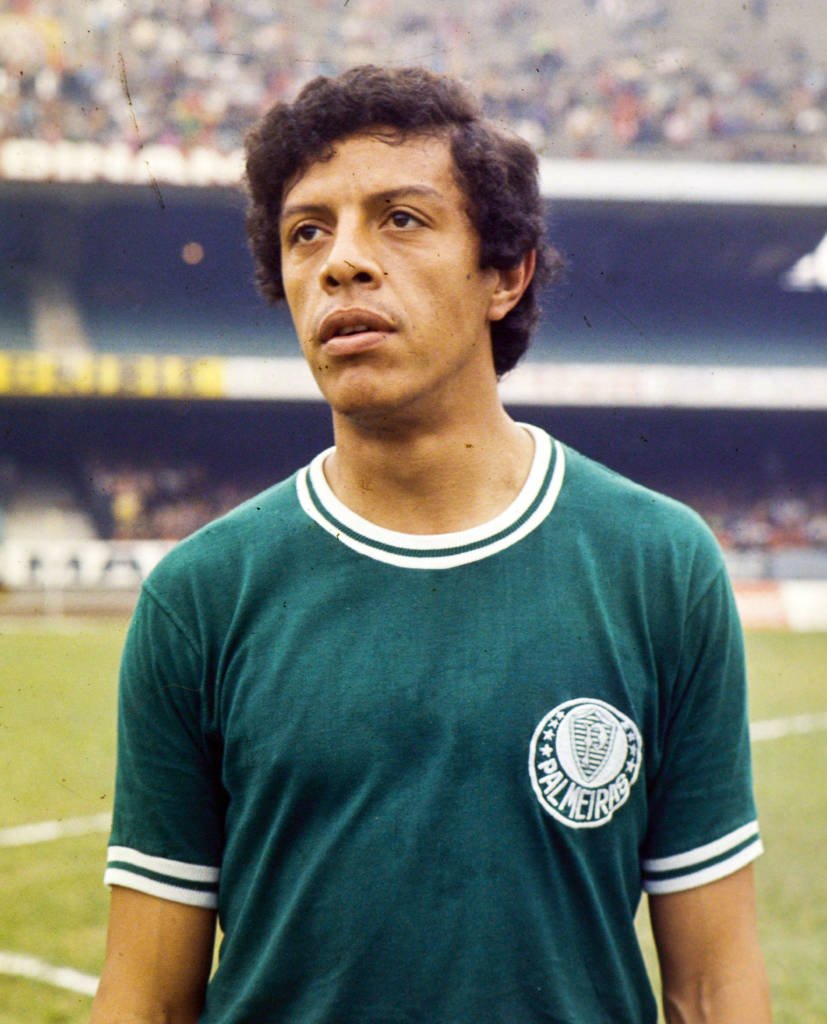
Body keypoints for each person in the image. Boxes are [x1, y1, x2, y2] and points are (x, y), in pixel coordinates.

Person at [91, 65, 771, 1023]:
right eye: (306, 231)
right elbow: (145, 1001)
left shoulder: (659, 565)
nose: (342, 262)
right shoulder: (201, 595)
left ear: (506, 273)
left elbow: (711, 987)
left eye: (401, 219)